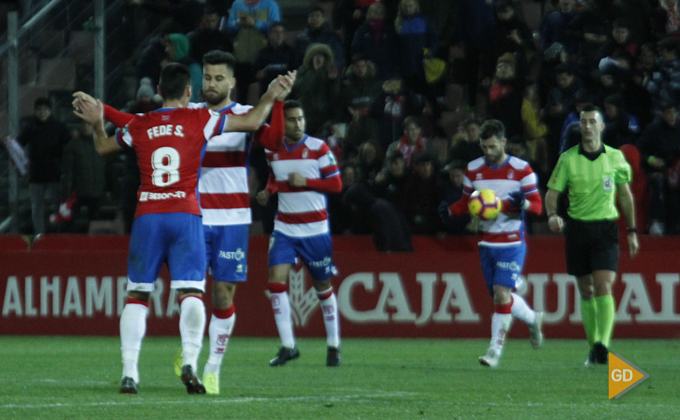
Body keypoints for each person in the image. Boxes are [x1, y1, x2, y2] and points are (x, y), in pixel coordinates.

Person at [78, 51, 293, 395]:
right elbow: (255, 122)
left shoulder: (146, 121)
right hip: (191, 214)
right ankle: (192, 358)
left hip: (166, 214)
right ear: (192, 88)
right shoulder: (200, 119)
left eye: (218, 78)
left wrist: (98, 116)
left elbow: (112, 138)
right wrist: (270, 97)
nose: (211, 83)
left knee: (149, 294)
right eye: (207, 78)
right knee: (192, 291)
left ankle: (144, 370)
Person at [440, 119, 544, 368]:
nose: (488, 152)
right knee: (502, 297)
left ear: (504, 143)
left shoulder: (522, 170)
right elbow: (468, 202)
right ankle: (533, 318)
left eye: (493, 147)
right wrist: (451, 211)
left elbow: (538, 207)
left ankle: (494, 351)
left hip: (511, 241)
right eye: (484, 147)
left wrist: (523, 205)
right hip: (486, 243)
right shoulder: (474, 169)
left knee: (500, 294)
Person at [545, 105, 639, 366]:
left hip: (606, 228)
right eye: (583, 122)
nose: (586, 126)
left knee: (603, 286)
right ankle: (593, 347)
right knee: (586, 291)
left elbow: (625, 196)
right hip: (577, 229)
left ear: (601, 127)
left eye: (591, 122)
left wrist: (632, 231)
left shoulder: (616, 158)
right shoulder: (568, 159)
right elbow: (552, 194)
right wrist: (552, 214)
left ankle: (603, 345)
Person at [256, 100, 343, 367]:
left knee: (322, 288)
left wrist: (307, 182)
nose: (297, 124)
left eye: (300, 119)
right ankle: (288, 345)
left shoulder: (318, 148)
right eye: (291, 119)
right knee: (275, 282)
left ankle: (333, 345)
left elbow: (336, 184)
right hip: (284, 228)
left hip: (315, 231)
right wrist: (268, 191)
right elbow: (274, 176)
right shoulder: (273, 151)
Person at [16, 97, 72, 235]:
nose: (42, 112)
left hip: (55, 172)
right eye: (39, 110)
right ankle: (39, 234)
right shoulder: (30, 127)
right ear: (35, 111)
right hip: (36, 173)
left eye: (45, 109)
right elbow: (17, 145)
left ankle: (61, 231)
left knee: (58, 205)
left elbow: (70, 145)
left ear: (50, 110)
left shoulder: (59, 127)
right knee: (37, 207)